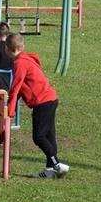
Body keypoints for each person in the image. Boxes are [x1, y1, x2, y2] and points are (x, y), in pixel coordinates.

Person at [5, 32, 69, 179]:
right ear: (23, 46)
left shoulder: (19, 63)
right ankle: (49, 169)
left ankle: (57, 164)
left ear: (7, 48)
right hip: (51, 99)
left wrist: (11, 109)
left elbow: (16, 86)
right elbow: (22, 86)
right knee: (49, 135)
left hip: (43, 102)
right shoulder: (27, 59)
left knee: (39, 136)